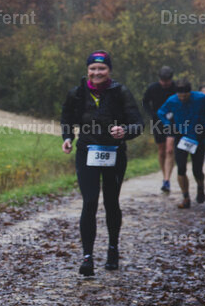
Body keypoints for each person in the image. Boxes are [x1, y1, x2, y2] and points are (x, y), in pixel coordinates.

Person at [61, 51, 144, 276]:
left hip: (114, 153)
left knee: (111, 202)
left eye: (102, 69)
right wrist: (67, 137)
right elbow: (66, 118)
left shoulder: (121, 92)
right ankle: (87, 257)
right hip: (87, 152)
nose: (97, 73)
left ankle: (113, 249)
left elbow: (138, 124)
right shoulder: (77, 93)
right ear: (87, 70)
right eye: (93, 69)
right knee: (89, 202)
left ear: (109, 71)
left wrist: (125, 131)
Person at [156, 79, 205, 208]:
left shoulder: (201, 98)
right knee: (181, 169)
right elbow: (160, 112)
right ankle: (186, 198)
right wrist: (168, 125)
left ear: (190, 92)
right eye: (180, 96)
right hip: (181, 137)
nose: (182, 98)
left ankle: (200, 187)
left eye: (185, 96)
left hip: (198, 136)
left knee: (197, 170)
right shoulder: (172, 100)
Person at [142, 65, 176, 191]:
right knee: (161, 150)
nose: (165, 83)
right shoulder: (153, 88)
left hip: (173, 122)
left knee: (169, 150)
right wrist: (151, 114)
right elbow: (144, 102)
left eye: (167, 81)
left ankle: (167, 180)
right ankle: (164, 175)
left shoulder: (176, 88)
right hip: (158, 122)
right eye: (163, 81)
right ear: (159, 79)